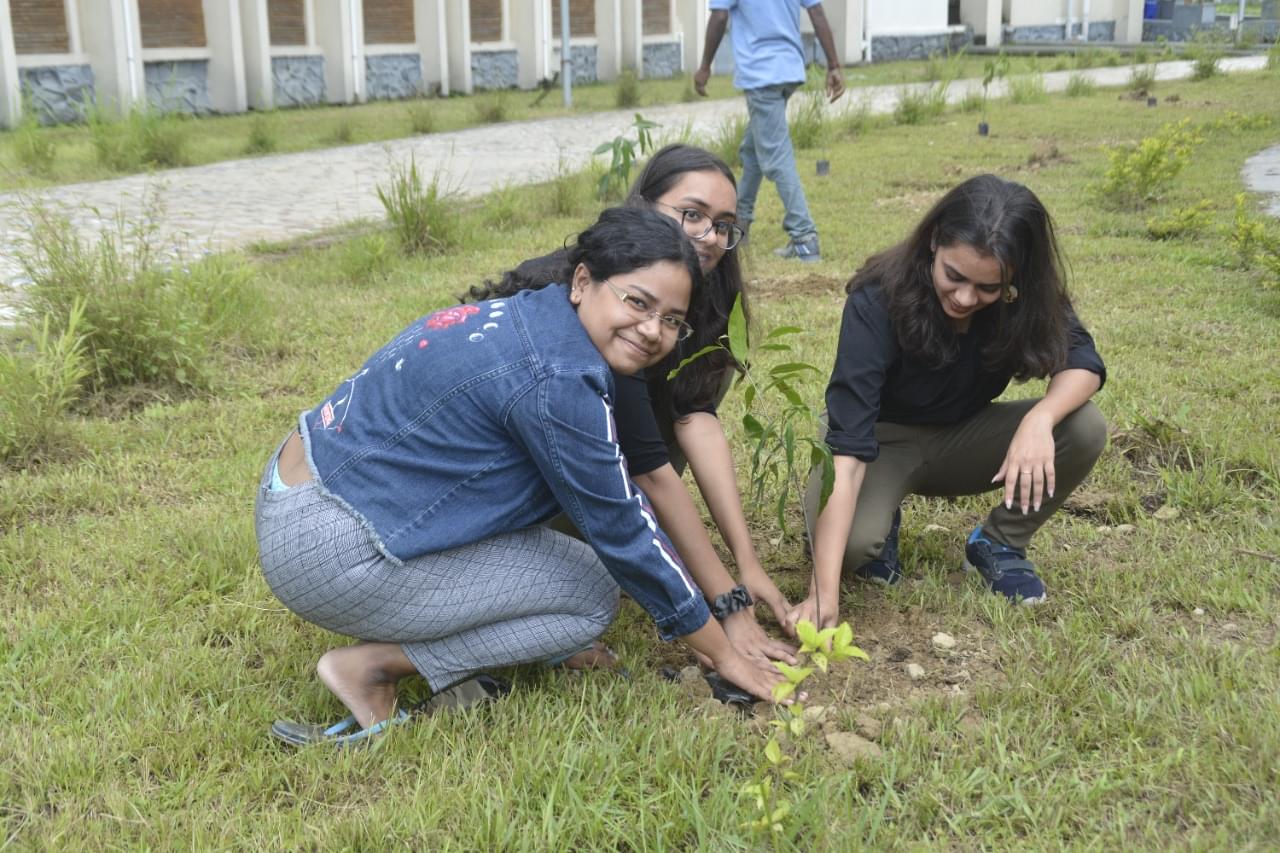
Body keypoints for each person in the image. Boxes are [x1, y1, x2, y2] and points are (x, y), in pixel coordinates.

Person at [255, 208, 789, 747]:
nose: (652, 330)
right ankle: (374, 668)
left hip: (302, 490)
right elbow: (623, 528)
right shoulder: (557, 375)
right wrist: (722, 650)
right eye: (638, 302)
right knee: (590, 596)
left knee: (565, 555)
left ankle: (483, 637)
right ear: (583, 281)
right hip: (327, 546)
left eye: (672, 319)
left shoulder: (531, 314)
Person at [503, 145, 797, 672]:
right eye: (692, 215)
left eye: (724, 225)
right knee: (590, 587)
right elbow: (653, 471)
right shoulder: (600, 302)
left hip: (590, 457)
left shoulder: (700, 291)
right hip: (497, 479)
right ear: (644, 204)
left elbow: (695, 414)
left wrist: (747, 564)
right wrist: (728, 610)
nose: (709, 237)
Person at [789, 175, 1108, 631]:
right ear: (934, 242)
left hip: (964, 437)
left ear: (1016, 278)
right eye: (953, 276)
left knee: (1083, 427)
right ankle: (882, 520)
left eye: (987, 289)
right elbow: (848, 446)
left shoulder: (1025, 300)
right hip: (877, 442)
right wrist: (822, 594)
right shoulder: (877, 297)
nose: (964, 298)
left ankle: (998, 543)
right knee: (852, 550)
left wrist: (1040, 419)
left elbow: (1084, 363)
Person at [694, 0, 845, 263]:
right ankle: (739, 227)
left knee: (776, 157)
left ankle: (805, 239)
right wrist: (833, 65)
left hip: (761, 73)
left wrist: (705, 66)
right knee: (752, 152)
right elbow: (817, 12)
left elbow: (719, 17)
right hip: (789, 70)